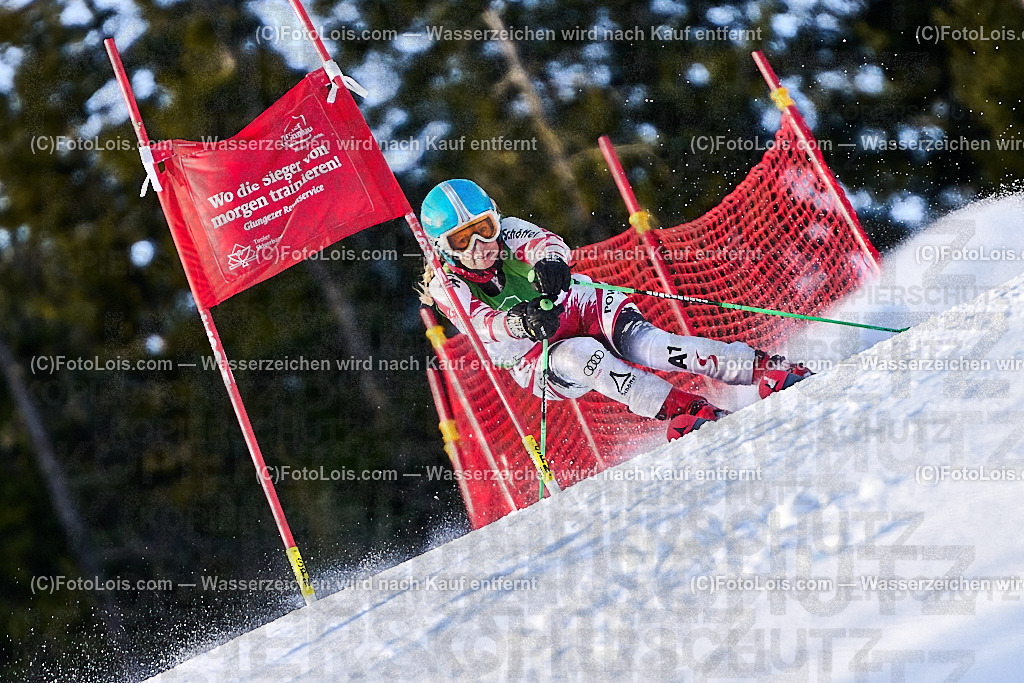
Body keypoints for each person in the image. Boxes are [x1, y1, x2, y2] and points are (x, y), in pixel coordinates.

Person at [418, 179, 811, 440]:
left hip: (579, 307)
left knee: (650, 346)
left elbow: (546, 244)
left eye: (484, 229)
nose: (479, 247)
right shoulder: (445, 284)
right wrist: (520, 323)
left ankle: (761, 368)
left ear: (496, 217)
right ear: (442, 247)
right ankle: (682, 409)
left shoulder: (510, 231)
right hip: (537, 357)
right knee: (584, 357)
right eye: (462, 240)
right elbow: (482, 323)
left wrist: (552, 264)